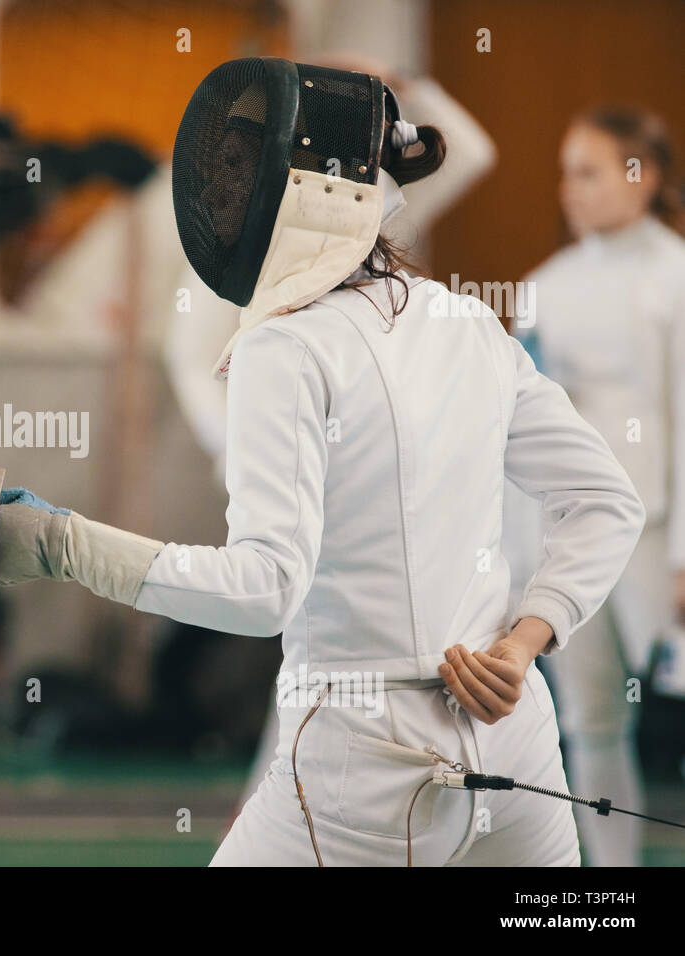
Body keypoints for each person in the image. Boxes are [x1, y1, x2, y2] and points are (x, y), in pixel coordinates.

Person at [0, 58, 645, 865]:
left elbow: (265, 590)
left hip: (364, 766)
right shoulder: (470, 321)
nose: (222, 201)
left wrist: (64, 547)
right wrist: (523, 643)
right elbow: (608, 500)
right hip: (515, 747)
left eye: (238, 178)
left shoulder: (283, 348)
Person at [161, 56, 499, 809]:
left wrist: (407, 80)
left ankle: (312, 814)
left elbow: (470, 152)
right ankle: (292, 817)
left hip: (382, 461)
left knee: (348, 656)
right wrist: (235, 449)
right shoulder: (246, 214)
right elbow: (184, 352)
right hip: (287, 456)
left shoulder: (367, 198)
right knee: (311, 651)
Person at [521, 106, 685, 866]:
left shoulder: (676, 276)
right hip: (571, 538)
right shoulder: (544, 287)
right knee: (590, 720)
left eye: (588, 171)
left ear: (640, 176)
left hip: (657, 536)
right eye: (565, 172)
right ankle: (612, 883)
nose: (569, 189)